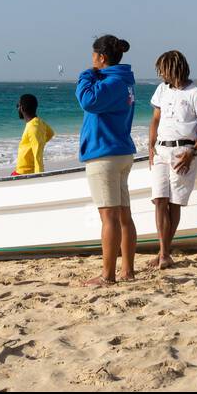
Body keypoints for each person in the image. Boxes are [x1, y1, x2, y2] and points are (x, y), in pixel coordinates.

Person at [76, 34, 137, 287]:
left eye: (93, 56)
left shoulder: (110, 83)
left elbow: (87, 101)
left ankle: (108, 275)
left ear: (101, 57)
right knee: (124, 215)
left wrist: (85, 75)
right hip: (121, 152)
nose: (91, 60)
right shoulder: (124, 81)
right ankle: (128, 271)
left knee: (109, 217)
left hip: (105, 155)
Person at [147, 50, 197, 270]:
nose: (160, 75)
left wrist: (192, 152)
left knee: (174, 203)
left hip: (182, 151)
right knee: (159, 200)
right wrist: (150, 147)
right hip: (160, 151)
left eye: (162, 70)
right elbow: (155, 120)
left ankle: (164, 253)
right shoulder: (161, 90)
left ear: (173, 68)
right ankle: (163, 252)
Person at [11, 94, 55, 176]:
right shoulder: (39, 121)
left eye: (18, 105)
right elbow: (51, 133)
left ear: (22, 108)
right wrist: (40, 141)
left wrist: (39, 176)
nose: (17, 108)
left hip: (24, 172)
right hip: (23, 170)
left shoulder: (32, 127)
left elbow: (37, 155)